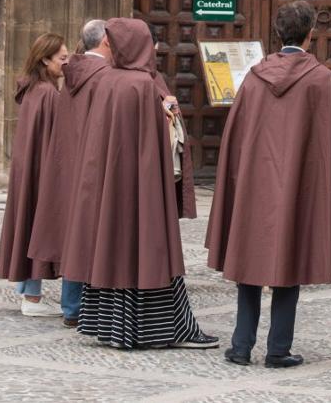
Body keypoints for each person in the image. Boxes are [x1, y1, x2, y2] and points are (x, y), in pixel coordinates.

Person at [206, 0, 331, 368]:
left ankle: (241, 347)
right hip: (297, 188)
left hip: (255, 185)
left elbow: (236, 136)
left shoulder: (254, 77)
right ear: (310, 35)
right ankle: (278, 350)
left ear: (278, 32)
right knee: (289, 263)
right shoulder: (319, 79)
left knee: (250, 260)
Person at [60, 18, 217, 350]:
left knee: (114, 253)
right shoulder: (142, 85)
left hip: (111, 189)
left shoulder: (107, 81)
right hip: (141, 189)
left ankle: (112, 328)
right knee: (150, 253)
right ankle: (163, 329)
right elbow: (151, 145)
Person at [27, 19, 110, 327]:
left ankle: (72, 307)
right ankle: (80, 307)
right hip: (91, 166)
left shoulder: (69, 78)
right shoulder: (104, 77)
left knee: (75, 233)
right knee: (87, 234)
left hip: (69, 166)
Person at [0, 33, 70, 317]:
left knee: (29, 224)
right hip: (40, 172)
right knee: (38, 225)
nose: (66, 63)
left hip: (30, 169)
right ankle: (33, 297)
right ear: (45, 59)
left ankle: (30, 293)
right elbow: (55, 140)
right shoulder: (47, 94)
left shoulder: (34, 89)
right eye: (62, 58)